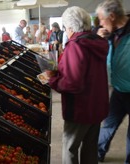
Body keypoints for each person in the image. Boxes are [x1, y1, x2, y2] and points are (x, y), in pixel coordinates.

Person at [47, 6, 109, 164]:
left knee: (70, 148)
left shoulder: (76, 46)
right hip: (96, 105)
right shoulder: (97, 42)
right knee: (90, 148)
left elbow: (72, 83)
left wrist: (51, 80)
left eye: (66, 28)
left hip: (80, 109)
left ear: (70, 27)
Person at [96, 0, 130, 163]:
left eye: (102, 19)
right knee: (109, 124)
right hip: (118, 90)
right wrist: (99, 39)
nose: (100, 23)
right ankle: (98, 154)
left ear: (112, 16)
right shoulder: (111, 33)